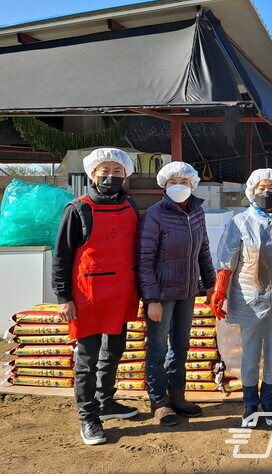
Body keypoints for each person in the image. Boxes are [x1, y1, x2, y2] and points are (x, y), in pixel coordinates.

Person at [53, 147, 140, 446]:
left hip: (121, 293)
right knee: (87, 360)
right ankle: (88, 416)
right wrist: (63, 297)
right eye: (105, 170)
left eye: (117, 171)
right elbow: (61, 257)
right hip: (88, 295)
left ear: (126, 175)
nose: (110, 176)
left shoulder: (129, 206)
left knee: (114, 350)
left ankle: (106, 402)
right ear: (92, 174)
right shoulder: (78, 209)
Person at [210, 169, 272, 428]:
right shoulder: (240, 221)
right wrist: (219, 290)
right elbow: (226, 260)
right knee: (250, 353)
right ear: (252, 190)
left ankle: (268, 401)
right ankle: (250, 403)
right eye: (261, 188)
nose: (267, 193)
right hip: (248, 297)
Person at [137, 161, 215, 426]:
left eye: (183, 182)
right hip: (162, 293)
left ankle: (178, 396)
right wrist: (152, 299)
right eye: (173, 182)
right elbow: (145, 260)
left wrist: (211, 284)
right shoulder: (154, 215)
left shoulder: (197, 213)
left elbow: (203, 250)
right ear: (164, 185)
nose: (178, 187)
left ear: (192, 185)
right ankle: (158, 402)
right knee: (158, 348)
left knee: (181, 346)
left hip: (188, 290)